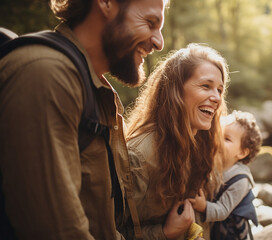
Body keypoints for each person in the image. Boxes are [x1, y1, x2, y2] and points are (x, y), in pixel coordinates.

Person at [0, 0, 166, 239]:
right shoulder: (48, 75)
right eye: (150, 23)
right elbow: (57, 231)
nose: (159, 42)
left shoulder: (97, 91)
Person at [121, 43, 230, 240]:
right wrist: (165, 233)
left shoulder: (204, 145)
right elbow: (107, 231)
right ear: (175, 91)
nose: (216, 98)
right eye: (206, 86)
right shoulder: (137, 156)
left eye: (220, 90)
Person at [189, 110, 262, 240]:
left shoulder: (241, 179)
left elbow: (223, 210)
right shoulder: (212, 165)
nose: (219, 141)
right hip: (216, 228)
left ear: (242, 152)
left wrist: (204, 206)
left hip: (233, 232)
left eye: (227, 139)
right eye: (219, 135)